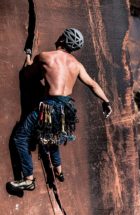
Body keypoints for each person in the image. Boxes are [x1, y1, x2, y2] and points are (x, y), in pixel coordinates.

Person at [8, 28, 112, 191]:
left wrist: (28, 55)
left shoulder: (45, 56)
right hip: (66, 108)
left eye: (62, 35)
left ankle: (28, 179)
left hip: (50, 105)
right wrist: (106, 101)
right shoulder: (77, 65)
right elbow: (92, 84)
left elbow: (28, 74)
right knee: (52, 138)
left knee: (21, 137)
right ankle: (59, 170)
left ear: (63, 40)